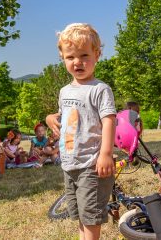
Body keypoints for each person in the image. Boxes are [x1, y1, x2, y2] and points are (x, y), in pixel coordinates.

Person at [46, 23, 116, 240]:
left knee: (91, 216)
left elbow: (109, 121)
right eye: (70, 57)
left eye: (84, 55)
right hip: (70, 163)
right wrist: (50, 118)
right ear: (62, 58)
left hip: (91, 164)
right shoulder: (64, 91)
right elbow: (64, 115)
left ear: (97, 55)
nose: (77, 62)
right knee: (80, 215)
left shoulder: (99, 89)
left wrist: (105, 154)